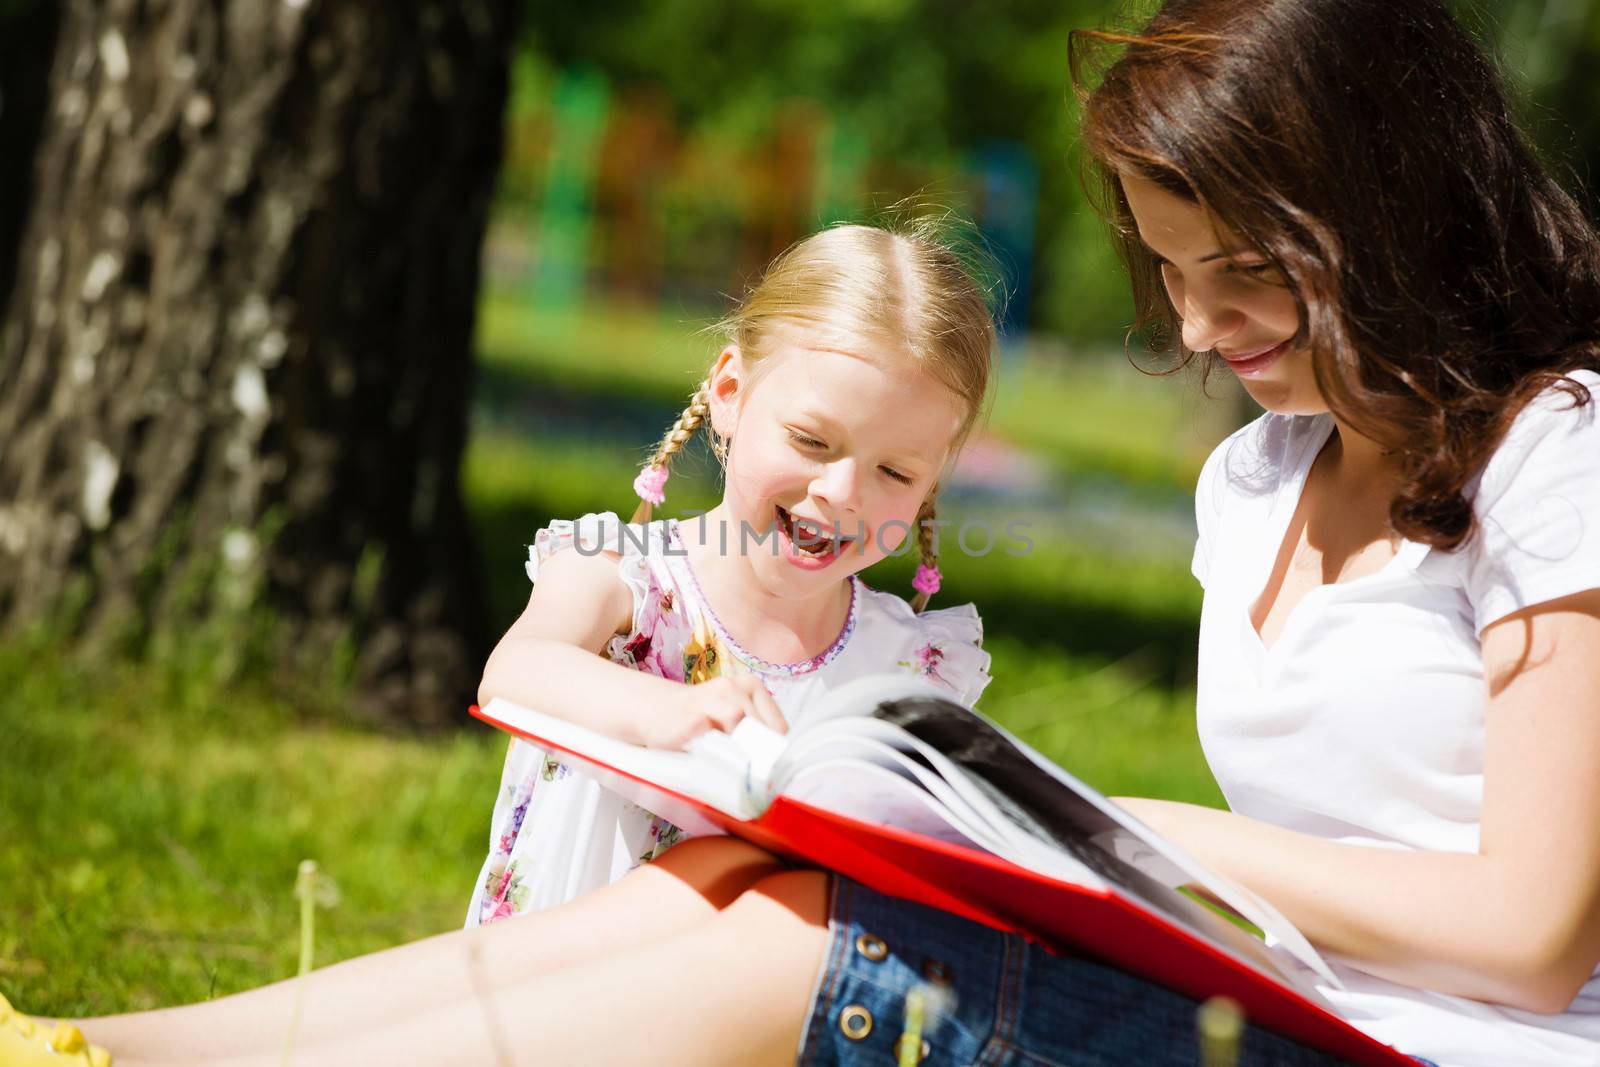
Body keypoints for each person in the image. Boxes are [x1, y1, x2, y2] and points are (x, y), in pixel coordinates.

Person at [7, 0, 1599, 1064]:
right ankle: (124, 1043)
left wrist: (1132, 831)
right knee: (730, 870)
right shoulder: (1251, 481)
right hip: (1263, 998)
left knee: (807, 943)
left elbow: (1529, 939)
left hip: (1451, 1043)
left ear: (1382, 208)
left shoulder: (1557, 453)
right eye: (1170, 272)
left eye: (1240, 270)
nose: (1193, 327)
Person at [464, 221, 996, 922]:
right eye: (811, 439)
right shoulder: (627, 578)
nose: (841, 491)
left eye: (894, 471)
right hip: (559, 980)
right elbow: (515, 671)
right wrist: (670, 712)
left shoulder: (910, 667)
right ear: (730, 391)